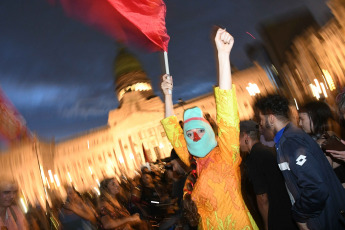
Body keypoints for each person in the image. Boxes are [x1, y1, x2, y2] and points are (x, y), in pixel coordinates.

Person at [161, 28, 258, 230]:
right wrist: (167, 95)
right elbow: (173, 132)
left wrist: (223, 55)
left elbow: (227, 116)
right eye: (189, 134)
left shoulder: (226, 156)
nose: (194, 136)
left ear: (211, 132)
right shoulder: (192, 164)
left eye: (200, 131)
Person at [255, 94, 345, 230]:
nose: (260, 124)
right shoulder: (289, 139)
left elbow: (315, 187)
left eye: (261, 119)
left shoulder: (291, 143)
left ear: (271, 118)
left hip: (325, 220)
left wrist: (299, 215)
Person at [239, 120, 298, 230]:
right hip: (288, 209)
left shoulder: (254, 158)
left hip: (276, 216)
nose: (237, 143)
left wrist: (266, 225)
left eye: (238, 139)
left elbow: (262, 197)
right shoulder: (267, 150)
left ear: (246, 136)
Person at [298, 101, 345, 185]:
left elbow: (323, 179)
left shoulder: (323, 143)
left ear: (314, 118)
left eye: (302, 118)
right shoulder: (331, 134)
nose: (300, 123)